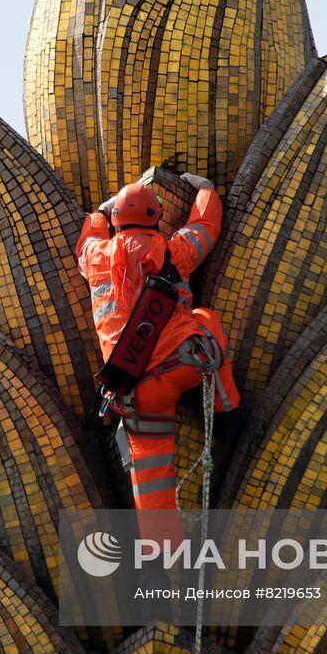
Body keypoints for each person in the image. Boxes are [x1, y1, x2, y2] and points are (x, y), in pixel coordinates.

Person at [76, 173, 246, 548]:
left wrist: (99, 216)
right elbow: (205, 230)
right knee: (206, 322)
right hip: (184, 364)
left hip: (135, 389)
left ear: (117, 220)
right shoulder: (171, 250)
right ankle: (227, 414)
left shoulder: (95, 260)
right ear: (155, 218)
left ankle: (159, 555)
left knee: (150, 470)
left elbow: (86, 240)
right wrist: (205, 191)